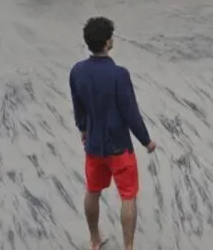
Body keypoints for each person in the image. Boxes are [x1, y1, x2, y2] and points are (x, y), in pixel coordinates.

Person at [69, 16, 156, 250]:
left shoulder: (77, 71)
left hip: (94, 145)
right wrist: (146, 140)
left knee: (93, 191)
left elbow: (78, 106)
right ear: (107, 43)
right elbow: (130, 113)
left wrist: (83, 129)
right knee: (128, 197)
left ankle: (95, 239)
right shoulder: (119, 74)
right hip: (119, 147)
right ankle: (128, 247)